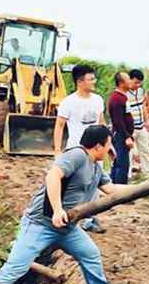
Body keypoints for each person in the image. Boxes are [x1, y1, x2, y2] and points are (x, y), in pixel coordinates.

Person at [0, 125, 132, 284]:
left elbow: (110, 188)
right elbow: (53, 175)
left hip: (67, 228)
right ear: (98, 146)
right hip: (40, 224)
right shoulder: (77, 155)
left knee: (90, 255)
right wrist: (58, 210)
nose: (110, 148)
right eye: (108, 144)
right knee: (15, 268)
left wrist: (143, 188)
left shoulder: (95, 167)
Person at [54, 64, 107, 233]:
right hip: (77, 151)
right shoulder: (68, 102)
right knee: (77, 187)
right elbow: (59, 126)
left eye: (93, 78)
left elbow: (101, 122)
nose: (94, 81)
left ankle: (89, 219)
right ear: (80, 81)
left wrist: (108, 144)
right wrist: (57, 151)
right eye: (91, 79)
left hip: (96, 151)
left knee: (94, 186)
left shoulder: (98, 100)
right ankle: (69, 216)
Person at [125, 69, 149, 178]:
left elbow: (143, 106)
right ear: (129, 80)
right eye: (136, 82)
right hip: (130, 128)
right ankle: (128, 176)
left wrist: (147, 121)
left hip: (141, 127)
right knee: (129, 153)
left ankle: (147, 174)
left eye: (140, 83)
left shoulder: (141, 91)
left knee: (145, 151)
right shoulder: (125, 93)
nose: (138, 85)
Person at [107, 72, 134, 184]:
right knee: (122, 165)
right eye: (128, 79)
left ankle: (113, 189)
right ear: (122, 83)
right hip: (120, 136)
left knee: (119, 163)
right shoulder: (117, 99)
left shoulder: (122, 97)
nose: (131, 82)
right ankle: (121, 193)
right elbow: (118, 121)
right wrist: (127, 137)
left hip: (122, 135)